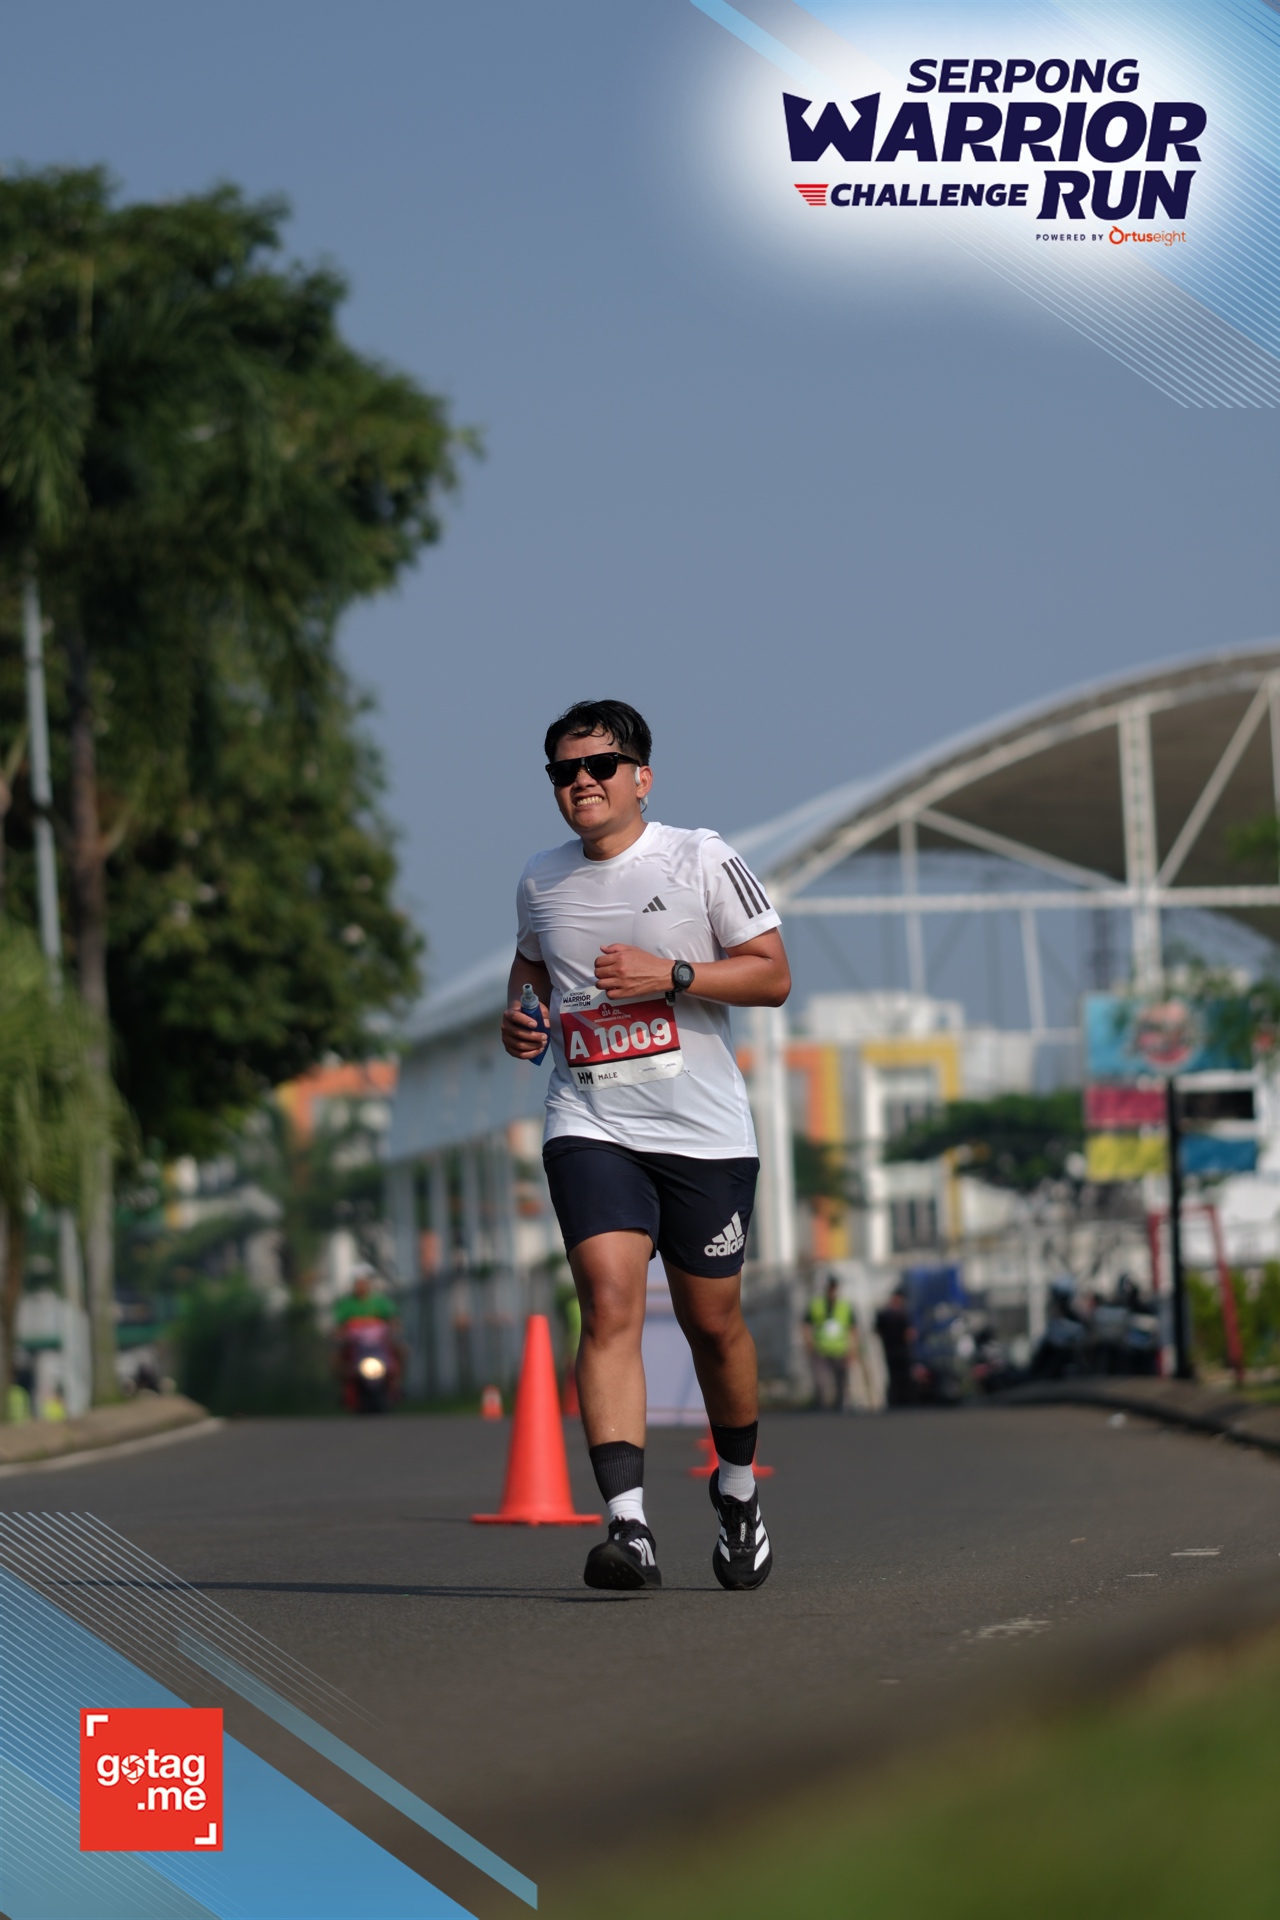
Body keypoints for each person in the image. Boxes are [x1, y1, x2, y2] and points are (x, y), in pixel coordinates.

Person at [501, 699, 791, 1592]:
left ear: (641, 778)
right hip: (592, 1120)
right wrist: (521, 1016)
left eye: (600, 766)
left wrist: (672, 973)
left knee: (714, 1325)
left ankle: (737, 1490)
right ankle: (628, 1528)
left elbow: (773, 975)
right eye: (564, 771)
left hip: (704, 1133)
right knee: (609, 1300)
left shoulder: (700, 857)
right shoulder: (541, 880)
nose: (581, 782)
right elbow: (533, 965)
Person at [805, 1274, 857, 1411]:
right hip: (820, 1349)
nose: (831, 1292)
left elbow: (852, 1329)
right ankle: (821, 1406)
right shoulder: (817, 1304)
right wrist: (809, 1342)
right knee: (821, 1381)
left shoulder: (844, 1306)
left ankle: (839, 1406)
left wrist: (852, 1349)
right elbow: (806, 1324)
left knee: (841, 1381)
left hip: (840, 1349)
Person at [874, 1285, 916, 1407]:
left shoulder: (902, 1314)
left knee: (903, 1376)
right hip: (893, 1349)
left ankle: (903, 1400)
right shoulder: (889, 1315)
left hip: (900, 1350)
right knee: (895, 1376)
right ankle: (896, 1401)